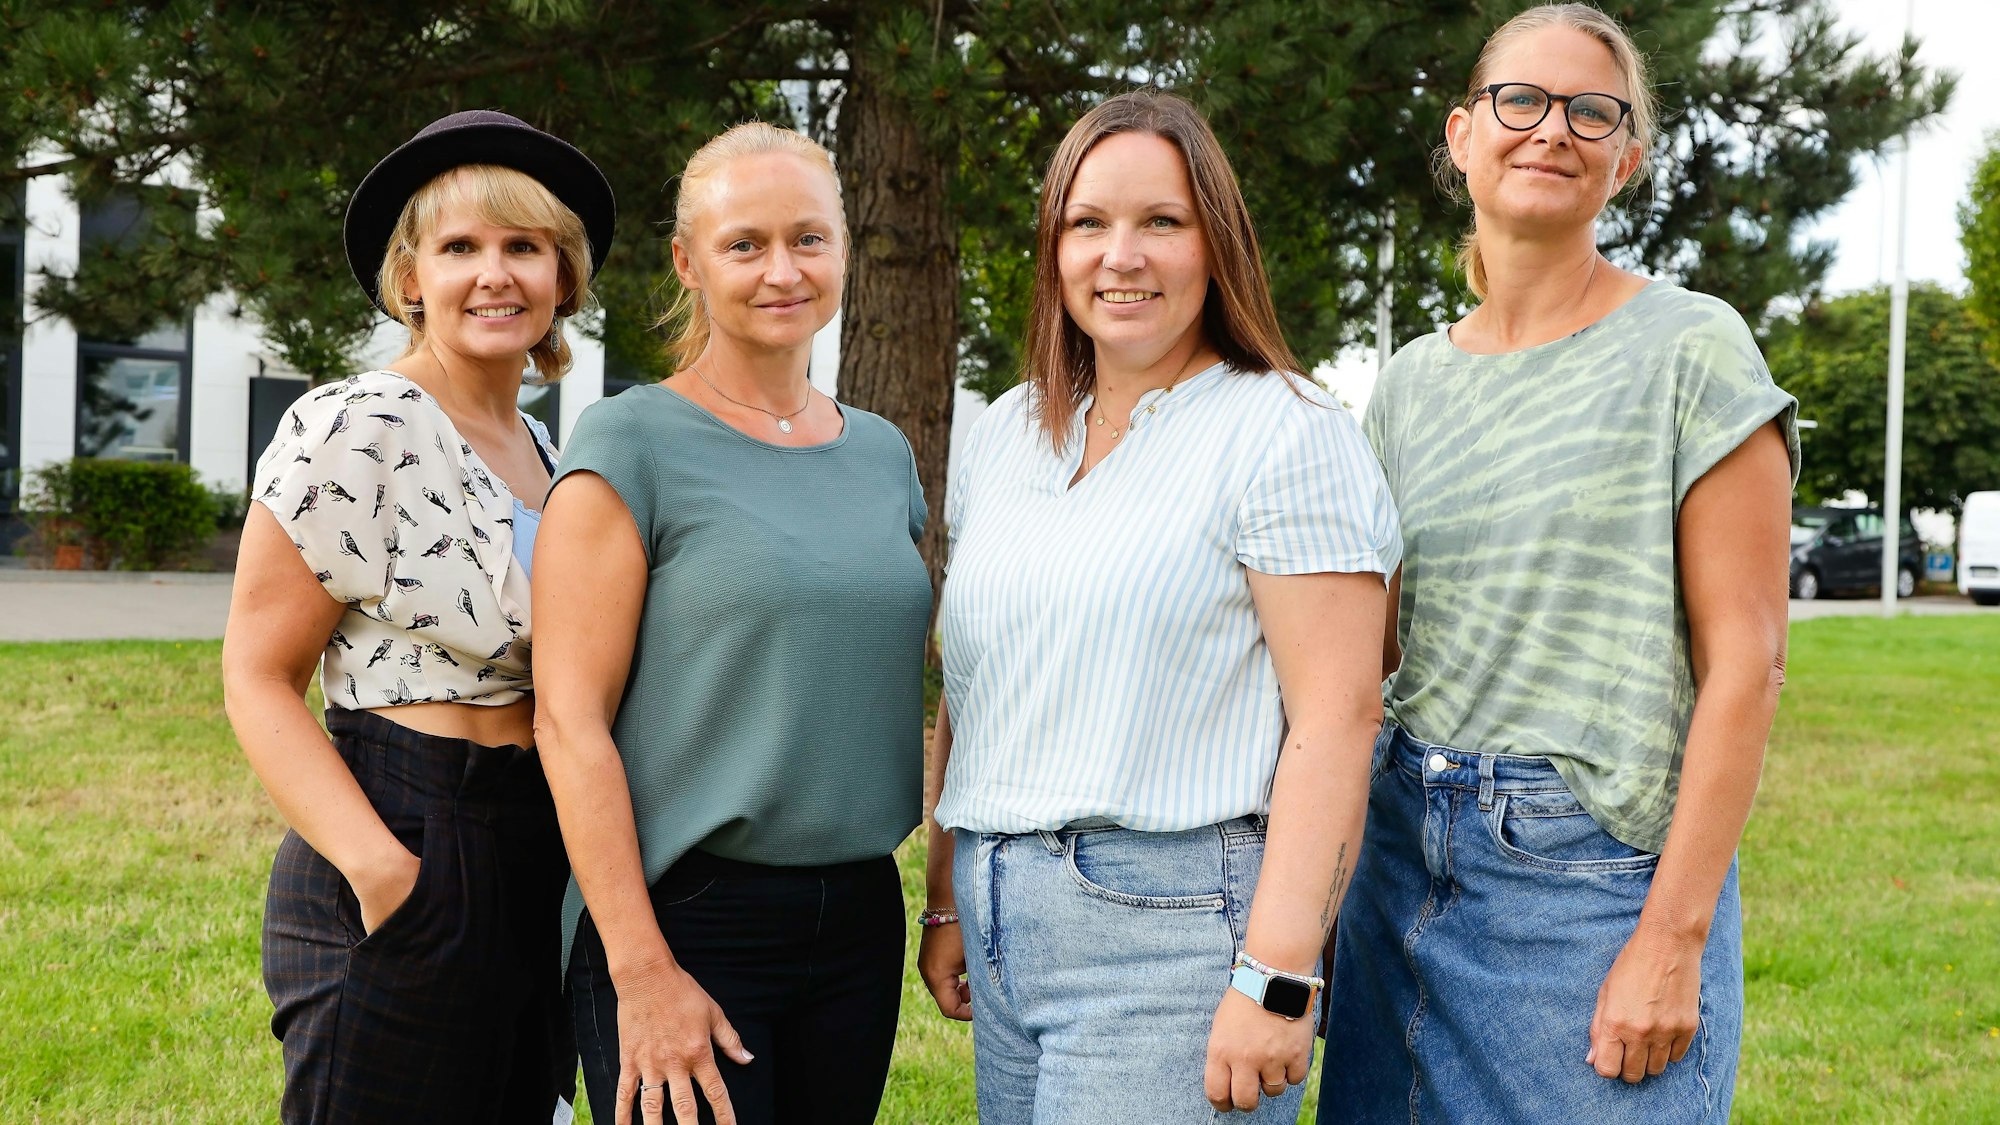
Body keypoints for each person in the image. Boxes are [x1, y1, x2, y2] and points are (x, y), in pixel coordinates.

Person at [1318, 6, 1798, 1123]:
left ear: (1624, 159)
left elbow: (1747, 663)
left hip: (1590, 885)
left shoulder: (1692, 347)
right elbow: (1368, 656)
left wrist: (1672, 937)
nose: (1550, 130)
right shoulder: (1408, 384)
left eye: (1591, 112)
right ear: (1461, 135)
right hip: (1397, 859)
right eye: (1520, 101)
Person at [917, 89, 1401, 1122]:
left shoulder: (1284, 431)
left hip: (1173, 930)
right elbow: (980, 684)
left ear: (1216, 243)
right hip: (1003, 920)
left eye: (1161, 222)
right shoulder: (1005, 433)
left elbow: (1338, 718)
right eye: (1088, 223)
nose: (1120, 255)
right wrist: (947, 895)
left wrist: (1278, 977)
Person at [531, 122, 931, 1125]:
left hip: (858, 914)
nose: (781, 270)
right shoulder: (631, 442)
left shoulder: (882, 455)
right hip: (684, 915)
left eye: (808, 239)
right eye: (744, 244)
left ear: (843, 249)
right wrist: (639, 968)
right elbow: (568, 723)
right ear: (688, 262)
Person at [221, 109, 615, 1123]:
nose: (495, 275)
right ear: (409, 279)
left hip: (533, 842)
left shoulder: (547, 451)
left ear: (563, 277)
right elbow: (258, 675)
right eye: (460, 248)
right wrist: (382, 870)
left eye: (524, 247)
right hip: (407, 821)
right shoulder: (358, 423)